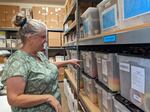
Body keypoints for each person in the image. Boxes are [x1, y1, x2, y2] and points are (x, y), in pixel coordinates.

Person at [1, 13, 80, 112]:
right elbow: (13, 98)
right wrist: (48, 98)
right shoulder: (18, 62)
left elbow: (46, 66)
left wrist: (68, 61)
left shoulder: (38, 54)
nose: (45, 40)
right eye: (42, 37)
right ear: (30, 37)